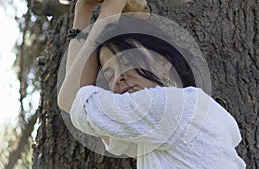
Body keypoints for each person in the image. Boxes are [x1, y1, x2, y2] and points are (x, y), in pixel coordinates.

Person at [57, 0, 246, 168]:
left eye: (128, 62)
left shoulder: (167, 106)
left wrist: (106, 16)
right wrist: (83, 9)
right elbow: (77, 99)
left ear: (163, 63)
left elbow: (71, 99)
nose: (118, 78)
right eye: (109, 74)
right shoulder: (162, 126)